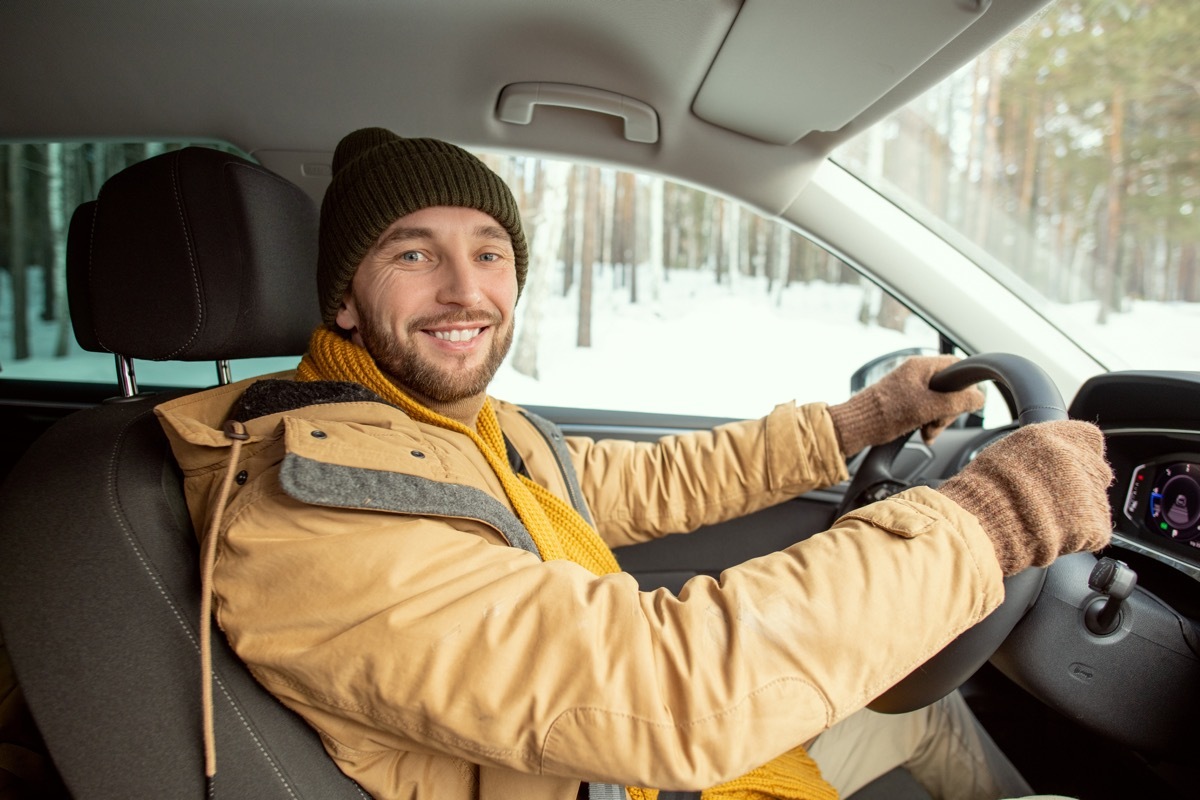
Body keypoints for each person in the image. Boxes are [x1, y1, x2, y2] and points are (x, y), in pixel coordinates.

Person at [156, 128, 1114, 800]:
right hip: (614, 774)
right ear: (347, 303)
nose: (466, 290)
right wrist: (986, 520)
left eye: (490, 253)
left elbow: (649, 483)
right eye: (413, 254)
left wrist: (866, 417)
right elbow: (671, 691)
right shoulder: (310, 506)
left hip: (602, 762)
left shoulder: (461, 432)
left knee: (923, 715)